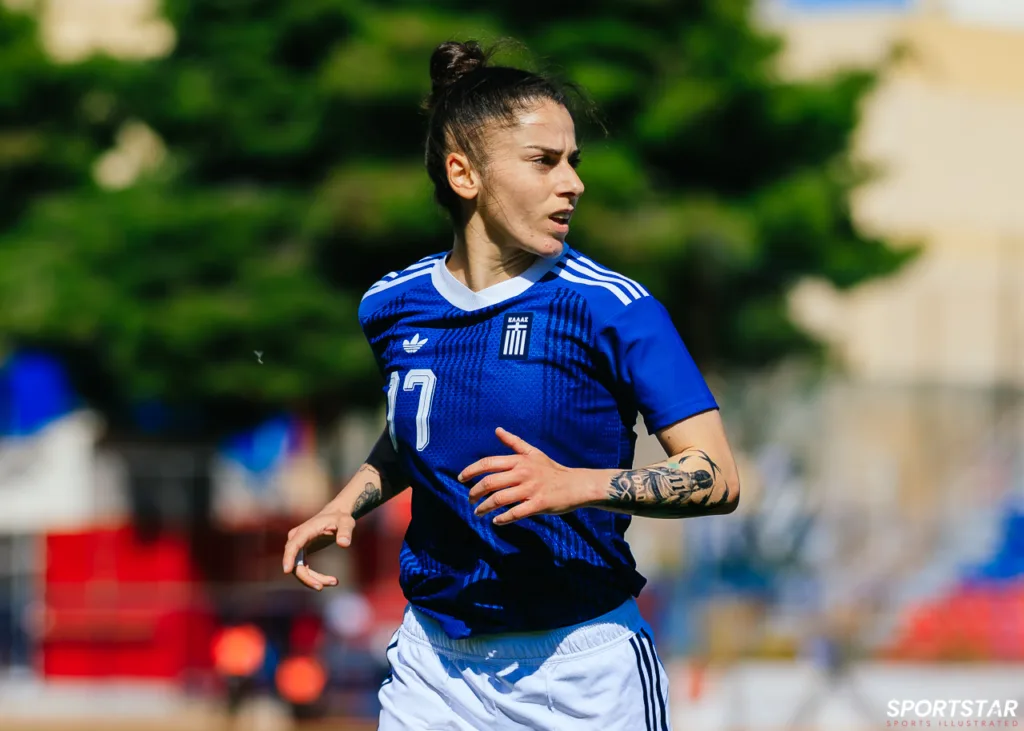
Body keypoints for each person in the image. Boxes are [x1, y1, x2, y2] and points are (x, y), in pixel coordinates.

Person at [282, 39, 741, 731]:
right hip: (434, 669)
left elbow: (716, 476)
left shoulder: (612, 307)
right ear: (464, 174)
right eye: (544, 161)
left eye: (574, 161)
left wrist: (576, 484)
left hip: (583, 672)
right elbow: (420, 427)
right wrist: (347, 502)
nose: (573, 183)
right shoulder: (391, 304)